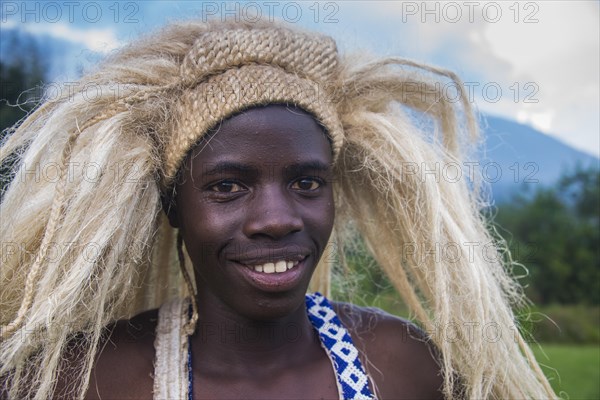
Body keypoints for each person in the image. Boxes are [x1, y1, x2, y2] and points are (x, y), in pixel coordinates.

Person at [0, 19, 556, 399]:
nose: (277, 218)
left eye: (307, 182)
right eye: (228, 186)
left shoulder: (403, 366)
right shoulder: (86, 377)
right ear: (174, 205)